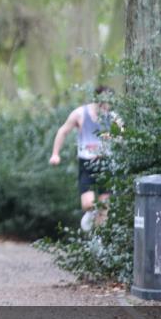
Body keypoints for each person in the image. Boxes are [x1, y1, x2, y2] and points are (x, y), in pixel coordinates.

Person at [49, 85, 117, 231]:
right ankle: (91, 214)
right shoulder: (80, 113)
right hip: (87, 164)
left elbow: (124, 134)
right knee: (88, 204)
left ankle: (99, 237)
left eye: (111, 102)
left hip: (106, 163)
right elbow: (63, 131)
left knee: (104, 206)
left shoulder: (113, 117)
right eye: (106, 101)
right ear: (98, 99)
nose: (108, 105)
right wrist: (55, 154)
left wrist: (116, 136)